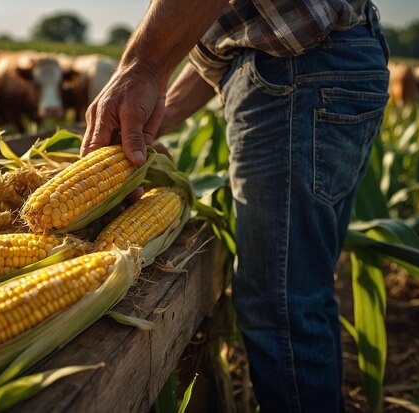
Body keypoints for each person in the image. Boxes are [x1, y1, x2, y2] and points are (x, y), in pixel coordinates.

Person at [81, 0, 390, 411]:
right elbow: (238, 34)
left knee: (281, 308)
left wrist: (142, 66)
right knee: (300, 295)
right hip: (322, 68)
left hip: (296, 79)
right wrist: (163, 113)